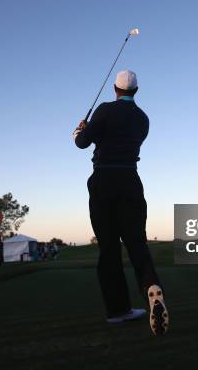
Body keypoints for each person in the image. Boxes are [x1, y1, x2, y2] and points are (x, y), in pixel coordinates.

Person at [73, 70, 169, 335]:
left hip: (103, 180)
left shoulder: (104, 110)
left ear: (115, 89)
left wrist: (80, 129)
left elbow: (82, 143)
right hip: (130, 179)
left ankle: (117, 310)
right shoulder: (143, 119)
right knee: (136, 241)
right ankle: (150, 285)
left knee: (109, 247)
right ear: (136, 91)